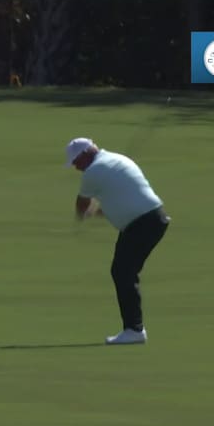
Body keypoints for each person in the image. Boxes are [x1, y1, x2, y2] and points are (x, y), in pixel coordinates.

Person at [65, 137, 170, 345]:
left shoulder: (93, 172)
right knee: (123, 271)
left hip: (142, 224)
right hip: (152, 219)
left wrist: (83, 214)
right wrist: (96, 212)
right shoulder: (117, 159)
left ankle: (134, 330)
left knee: (123, 272)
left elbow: (82, 203)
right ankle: (134, 328)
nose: (76, 168)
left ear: (86, 155)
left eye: (76, 162)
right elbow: (121, 204)